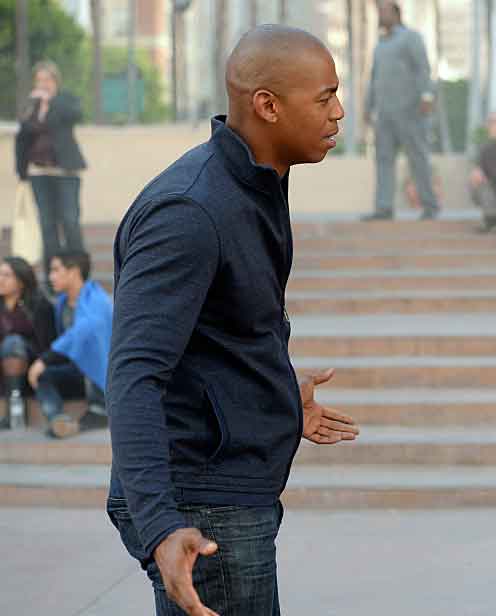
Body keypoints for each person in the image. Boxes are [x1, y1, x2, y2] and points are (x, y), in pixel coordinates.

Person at [106, 26, 359, 616]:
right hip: (200, 504)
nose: (339, 113)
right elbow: (133, 374)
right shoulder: (190, 211)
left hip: (226, 489)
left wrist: (272, 396)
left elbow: (228, 332)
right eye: (324, 98)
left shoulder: (257, 184)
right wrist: (162, 525)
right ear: (267, 105)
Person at [362, 1, 440, 221]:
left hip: (411, 112)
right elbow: (373, 79)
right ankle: (383, 208)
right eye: (378, 11)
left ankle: (430, 206)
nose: (380, 14)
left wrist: (426, 97)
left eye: (384, 11)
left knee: (418, 158)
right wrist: (367, 107)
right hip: (384, 116)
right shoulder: (379, 45)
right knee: (383, 160)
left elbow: (423, 68)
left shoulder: (411, 37)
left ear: (396, 13)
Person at [14, 60, 87, 281]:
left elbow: (75, 115)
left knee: (70, 221)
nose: (43, 84)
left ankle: (79, 272)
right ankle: (52, 276)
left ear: (56, 82)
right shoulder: (30, 106)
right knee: (47, 225)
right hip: (38, 174)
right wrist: (21, 173)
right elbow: (22, 138)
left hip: (65, 173)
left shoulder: (65, 101)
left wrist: (50, 103)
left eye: (47, 79)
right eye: (39, 80)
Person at [27, 250, 111, 438]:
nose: (51, 277)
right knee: (44, 377)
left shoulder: (96, 299)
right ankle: (58, 419)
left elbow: (83, 331)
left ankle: (100, 411)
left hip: (103, 375)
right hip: (77, 372)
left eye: (56, 270)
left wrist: (45, 360)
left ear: (73, 271)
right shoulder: (62, 303)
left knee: (44, 367)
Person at [0, 257, 56, 428]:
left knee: (13, 343)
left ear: (21, 281)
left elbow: (49, 344)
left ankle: (15, 407)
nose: (0, 279)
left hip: (31, 367)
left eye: (6, 275)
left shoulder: (40, 305)